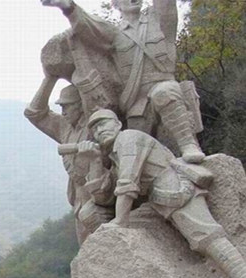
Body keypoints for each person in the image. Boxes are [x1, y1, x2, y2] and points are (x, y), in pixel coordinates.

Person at [78, 109, 246, 278]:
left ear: (118, 124)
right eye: (95, 129)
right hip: (155, 203)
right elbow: (105, 199)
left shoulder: (128, 139)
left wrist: (120, 221)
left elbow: (127, 184)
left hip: (175, 190)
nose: (99, 131)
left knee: (207, 237)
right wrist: (95, 161)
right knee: (98, 217)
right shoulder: (115, 155)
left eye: (103, 124)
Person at [42, 0, 205, 164]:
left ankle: (188, 144)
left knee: (164, 92)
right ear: (116, 4)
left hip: (166, 92)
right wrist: (68, 7)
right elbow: (90, 27)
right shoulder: (115, 34)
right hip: (135, 105)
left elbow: (166, 5)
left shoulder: (158, 22)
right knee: (135, 155)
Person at [25, 76, 114, 243]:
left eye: (67, 106)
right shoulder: (65, 126)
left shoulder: (95, 125)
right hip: (78, 199)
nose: (63, 111)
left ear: (80, 105)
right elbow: (34, 113)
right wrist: (50, 79)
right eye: (61, 107)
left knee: (105, 246)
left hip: (100, 198)